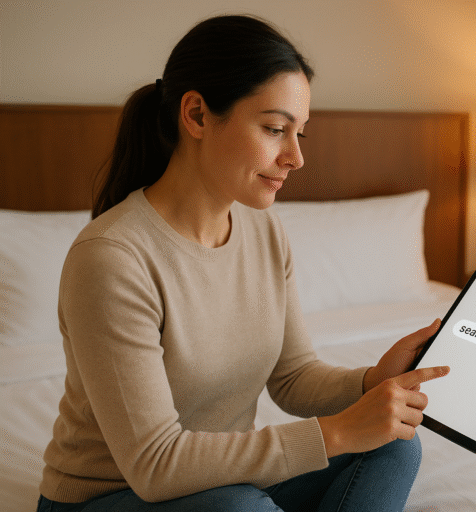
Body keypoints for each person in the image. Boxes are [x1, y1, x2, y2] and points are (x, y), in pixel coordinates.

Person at [37, 14, 449, 512]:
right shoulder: (111, 258)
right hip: (113, 493)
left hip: (225, 479)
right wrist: (335, 432)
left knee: (394, 444)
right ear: (196, 115)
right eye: (275, 129)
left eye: (301, 134)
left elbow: (292, 376)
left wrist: (371, 382)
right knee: (241, 509)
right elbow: (154, 464)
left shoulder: (263, 231)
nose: (295, 157)